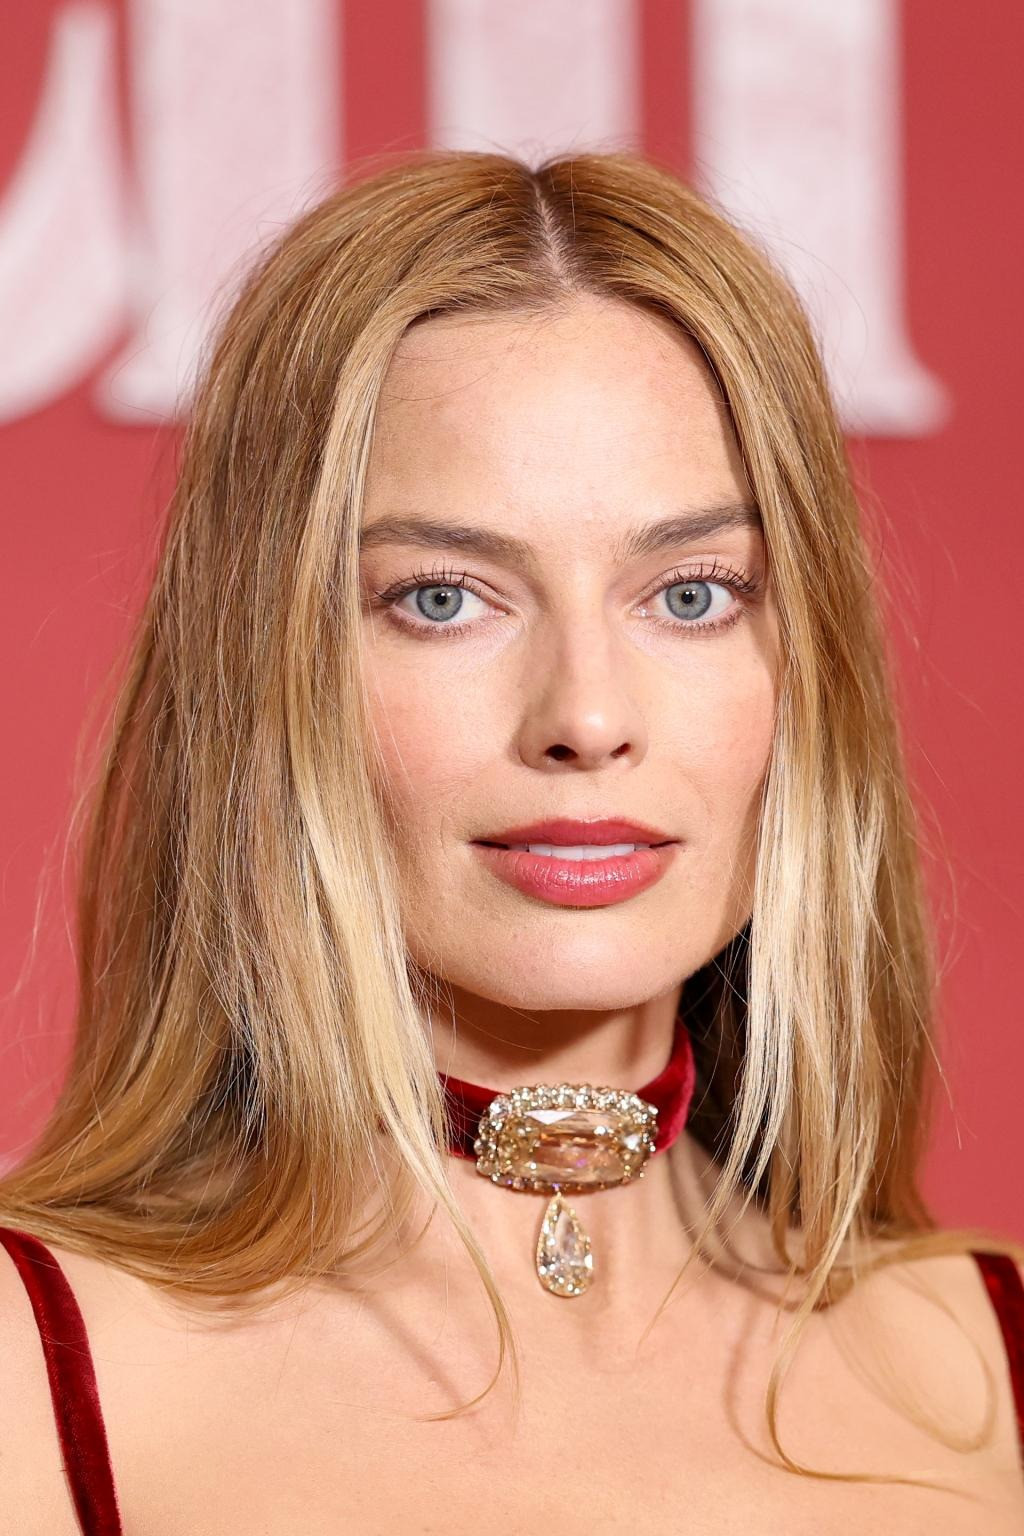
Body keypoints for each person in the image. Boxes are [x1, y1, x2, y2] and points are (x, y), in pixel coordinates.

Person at [0, 148, 1022, 1534]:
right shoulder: (31, 1372)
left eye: (693, 593)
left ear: (809, 668)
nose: (586, 717)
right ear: (265, 674)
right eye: (442, 598)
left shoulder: (992, 1356)